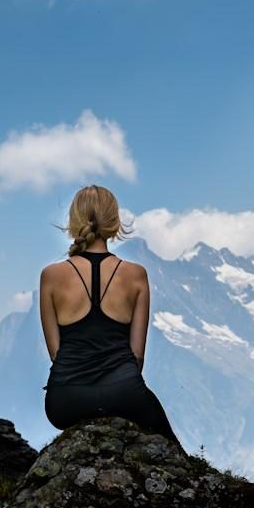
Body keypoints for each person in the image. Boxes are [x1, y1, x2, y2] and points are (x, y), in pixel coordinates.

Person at [39, 184, 182, 449]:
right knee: (171, 449)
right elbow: (137, 355)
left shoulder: (51, 276)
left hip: (64, 402)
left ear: (74, 223)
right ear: (115, 224)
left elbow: (56, 354)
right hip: (125, 394)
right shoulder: (136, 275)